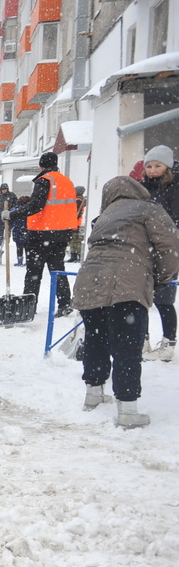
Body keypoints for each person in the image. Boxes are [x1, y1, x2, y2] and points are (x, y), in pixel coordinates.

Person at [72, 176, 179, 427]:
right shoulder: (149, 208)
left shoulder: (105, 215)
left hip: (90, 281)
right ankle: (128, 411)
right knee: (127, 348)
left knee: (96, 339)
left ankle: (93, 396)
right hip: (126, 284)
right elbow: (171, 248)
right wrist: (161, 277)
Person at [3, 151, 80, 314]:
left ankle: (28, 306)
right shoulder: (66, 181)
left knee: (34, 272)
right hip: (62, 234)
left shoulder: (44, 180)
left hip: (41, 234)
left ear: (41, 165)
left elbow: (35, 206)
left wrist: (11, 214)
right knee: (58, 270)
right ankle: (65, 304)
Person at [140, 145, 179, 361]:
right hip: (144, 247)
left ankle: (168, 343)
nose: (153, 170)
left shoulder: (175, 187)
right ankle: (142, 339)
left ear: (168, 166)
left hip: (167, 248)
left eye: (158, 165)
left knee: (164, 298)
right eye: (149, 166)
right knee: (141, 297)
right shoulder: (141, 188)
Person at [0, 183, 17, 256]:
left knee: (8, 228)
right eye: (3, 190)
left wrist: (12, 210)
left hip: (9, 215)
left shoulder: (12, 195)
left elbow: (16, 203)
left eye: (5, 190)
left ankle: (7, 240)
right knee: (0, 228)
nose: (4, 191)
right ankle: (0, 241)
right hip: (1, 215)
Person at [67, 186, 88, 262]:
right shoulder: (80, 200)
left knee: (74, 240)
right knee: (75, 240)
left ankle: (74, 256)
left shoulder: (78, 201)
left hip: (74, 223)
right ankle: (76, 255)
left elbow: (74, 212)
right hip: (75, 223)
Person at [11, 196, 30, 265]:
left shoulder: (14, 209)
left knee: (19, 247)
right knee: (27, 248)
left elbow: (10, 220)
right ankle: (28, 261)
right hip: (27, 230)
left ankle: (20, 261)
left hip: (17, 231)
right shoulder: (29, 209)